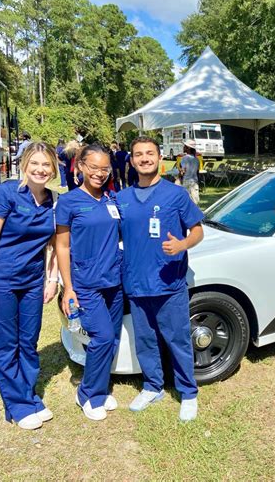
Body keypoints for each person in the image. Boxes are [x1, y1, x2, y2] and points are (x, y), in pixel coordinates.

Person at [118, 136, 204, 422]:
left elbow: (197, 231)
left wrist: (182, 245)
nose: (144, 158)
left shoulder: (175, 195)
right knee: (145, 340)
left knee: (177, 339)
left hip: (169, 284)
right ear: (131, 160)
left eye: (150, 153)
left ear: (160, 158)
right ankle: (152, 386)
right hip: (136, 283)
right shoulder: (122, 199)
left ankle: (188, 392)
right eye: (139, 154)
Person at [0, 142, 59, 430]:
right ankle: (18, 406)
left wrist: (52, 279)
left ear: (54, 168)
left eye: (46, 164)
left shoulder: (53, 200)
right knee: (5, 345)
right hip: (0, 282)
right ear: (24, 164)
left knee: (28, 342)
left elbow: (53, 246)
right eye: (35, 163)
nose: (40, 169)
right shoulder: (6, 194)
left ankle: (28, 396)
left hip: (33, 281)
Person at [55, 144, 123, 422]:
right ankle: (87, 394)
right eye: (93, 167)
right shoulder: (69, 202)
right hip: (86, 284)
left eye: (104, 168)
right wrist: (68, 287)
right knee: (102, 336)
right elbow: (61, 247)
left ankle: (101, 388)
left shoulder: (111, 199)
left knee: (113, 338)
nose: (99, 173)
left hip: (115, 283)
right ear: (80, 167)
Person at [180, 140, 200, 204]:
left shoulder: (184, 158)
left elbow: (183, 171)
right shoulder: (196, 159)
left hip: (186, 182)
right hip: (194, 183)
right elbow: (197, 172)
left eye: (185, 146)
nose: (183, 147)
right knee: (195, 204)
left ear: (188, 148)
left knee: (185, 203)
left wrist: (179, 176)